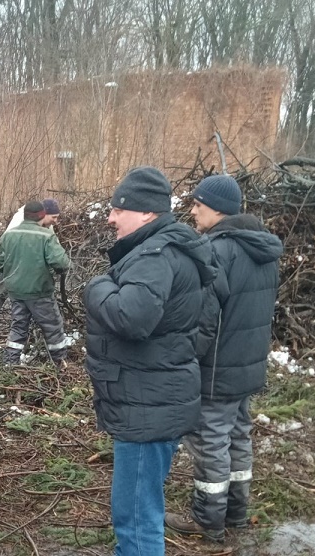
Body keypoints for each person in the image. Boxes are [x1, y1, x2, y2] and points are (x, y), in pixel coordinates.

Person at [83, 167, 217, 556]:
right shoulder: (172, 249)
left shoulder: (155, 255)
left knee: (137, 518)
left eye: (118, 210)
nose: (110, 218)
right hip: (154, 399)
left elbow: (131, 317)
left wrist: (97, 286)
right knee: (138, 510)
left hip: (147, 407)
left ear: (145, 213)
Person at [165, 175, 283, 542]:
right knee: (238, 437)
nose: (193, 211)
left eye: (198, 204)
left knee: (210, 442)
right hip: (247, 367)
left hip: (216, 369)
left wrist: (184, 359)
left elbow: (204, 320)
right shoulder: (263, 250)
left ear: (217, 209)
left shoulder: (216, 250)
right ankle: (236, 513)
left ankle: (207, 520)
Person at [0, 200, 69, 366]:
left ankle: (10, 362)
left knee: (18, 326)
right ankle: (59, 362)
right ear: (42, 215)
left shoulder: (8, 235)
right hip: (40, 291)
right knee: (52, 326)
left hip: (16, 292)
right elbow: (61, 263)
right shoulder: (46, 236)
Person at [0, 198, 61, 334]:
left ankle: (27, 323)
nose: (56, 221)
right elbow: (8, 242)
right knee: (1, 291)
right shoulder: (22, 219)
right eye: (53, 217)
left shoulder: (46, 224)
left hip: (27, 261)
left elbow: (52, 242)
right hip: (9, 258)